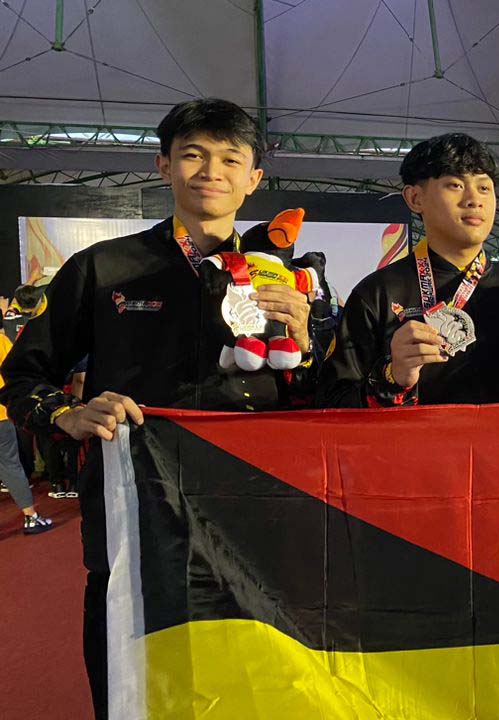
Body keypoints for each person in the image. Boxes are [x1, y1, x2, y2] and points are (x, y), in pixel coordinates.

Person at [0, 97, 316, 719]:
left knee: (254, 673)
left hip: (252, 508)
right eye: (193, 155)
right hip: (135, 509)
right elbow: (24, 372)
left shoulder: (283, 277)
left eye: (231, 159)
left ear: (254, 178)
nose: (211, 171)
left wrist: (304, 346)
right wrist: (64, 413)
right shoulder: (103, 268)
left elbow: (315, 399)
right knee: (132, 675)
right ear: (164, 165)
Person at [317, 133, 499, 407]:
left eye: (484, 188)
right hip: (414, 444)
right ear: (415, 198)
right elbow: (331, 404)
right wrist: (391, 377)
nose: (474, 200)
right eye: (455, 185)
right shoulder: (378, 294)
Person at [0, 331, 53, 534]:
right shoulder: (1, 341)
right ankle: (31, 517)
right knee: (10, 466)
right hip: (1, 416)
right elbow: (13, 373)